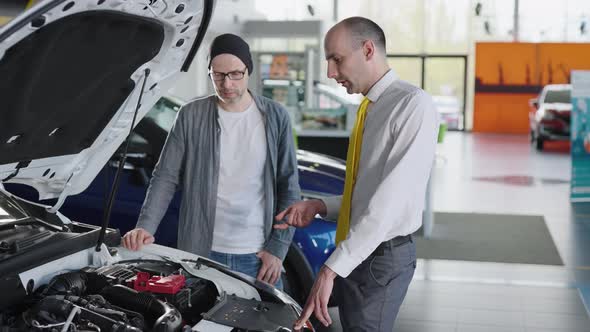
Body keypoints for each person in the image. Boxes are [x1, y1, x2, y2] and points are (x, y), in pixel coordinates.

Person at [274, 17, 439, 330]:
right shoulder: (371, 107)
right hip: (361, 247)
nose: (330, 73)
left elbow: (388, 206)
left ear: (367, 50)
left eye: (337, 59)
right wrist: (320, 206)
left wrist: (330, 270)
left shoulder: (411, 105)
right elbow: (367, 193)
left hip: (380, 254)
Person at [122, 33, 300, 288]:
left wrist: (278, 248)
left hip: (256, 256)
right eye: (217, 75)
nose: (227, 84)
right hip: (199, 255)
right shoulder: (190, 115)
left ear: (247, 70)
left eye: (235, 74)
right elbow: (166, 176)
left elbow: (289, 188)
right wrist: (146, 226)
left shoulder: (275, 116)